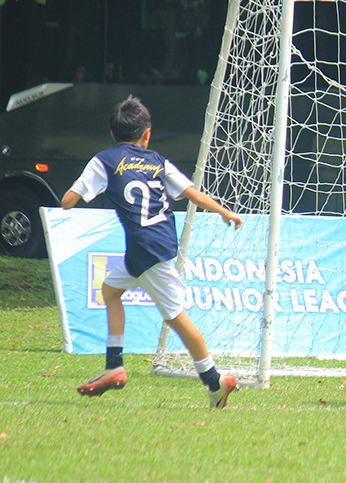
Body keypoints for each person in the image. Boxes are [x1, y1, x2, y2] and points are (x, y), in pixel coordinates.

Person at [61, 96, 244, 407]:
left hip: (148, 250)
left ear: (112, 134)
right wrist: (224, 211)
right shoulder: (158, 161)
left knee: (176, 317)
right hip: (152, 246)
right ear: (146, 134)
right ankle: (114, 366)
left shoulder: (104, 160)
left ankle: (216, 380)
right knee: (110, 291)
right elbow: (192, 195)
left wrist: (75, 191)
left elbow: (68, 201)